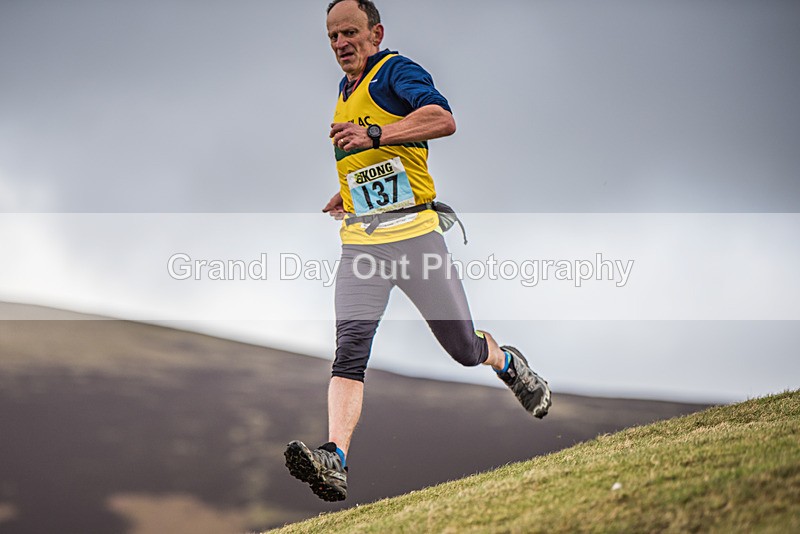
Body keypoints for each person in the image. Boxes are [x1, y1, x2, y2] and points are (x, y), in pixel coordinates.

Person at [284, 0, 551, 502]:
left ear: (376, 32)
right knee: (349, 353)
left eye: (349, 33)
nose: (341, 44)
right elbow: (378, 162)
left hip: (415, 239)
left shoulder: (395, 73)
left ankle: (507, 363)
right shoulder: (344, 92)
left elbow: (442, 119)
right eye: (332, 37)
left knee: (462, 350)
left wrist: (375, 133)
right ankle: (334, 457)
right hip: (363, 243)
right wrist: (352, 192)